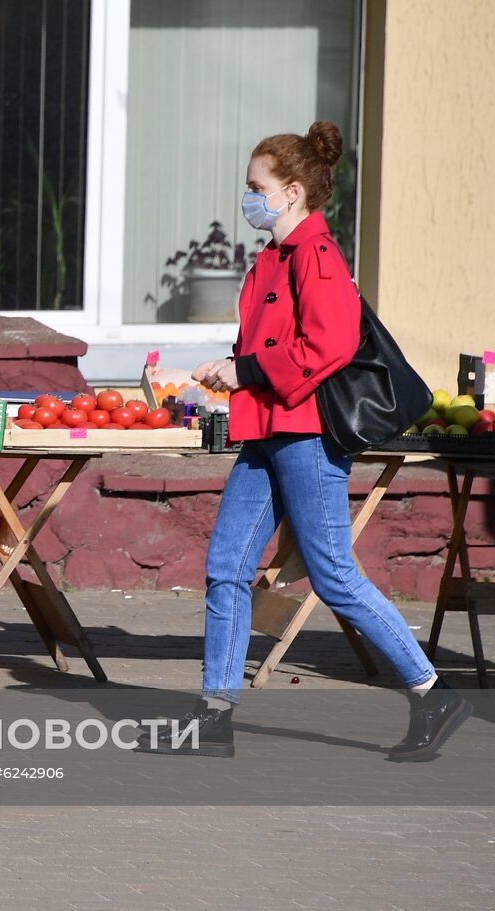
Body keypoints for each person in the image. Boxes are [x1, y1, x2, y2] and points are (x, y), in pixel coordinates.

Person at [138, 122, 468, 762]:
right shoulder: (274, 256)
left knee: (334, 574)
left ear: (290, 192)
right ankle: (214, 714)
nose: (248, 196)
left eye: (255, 186)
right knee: (226, 568)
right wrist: (229, 368)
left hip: (306, 433)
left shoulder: (316, 256)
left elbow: (331, 344)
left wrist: (247, 371)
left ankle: (433, 691)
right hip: (266, 429)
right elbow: (269, 345)